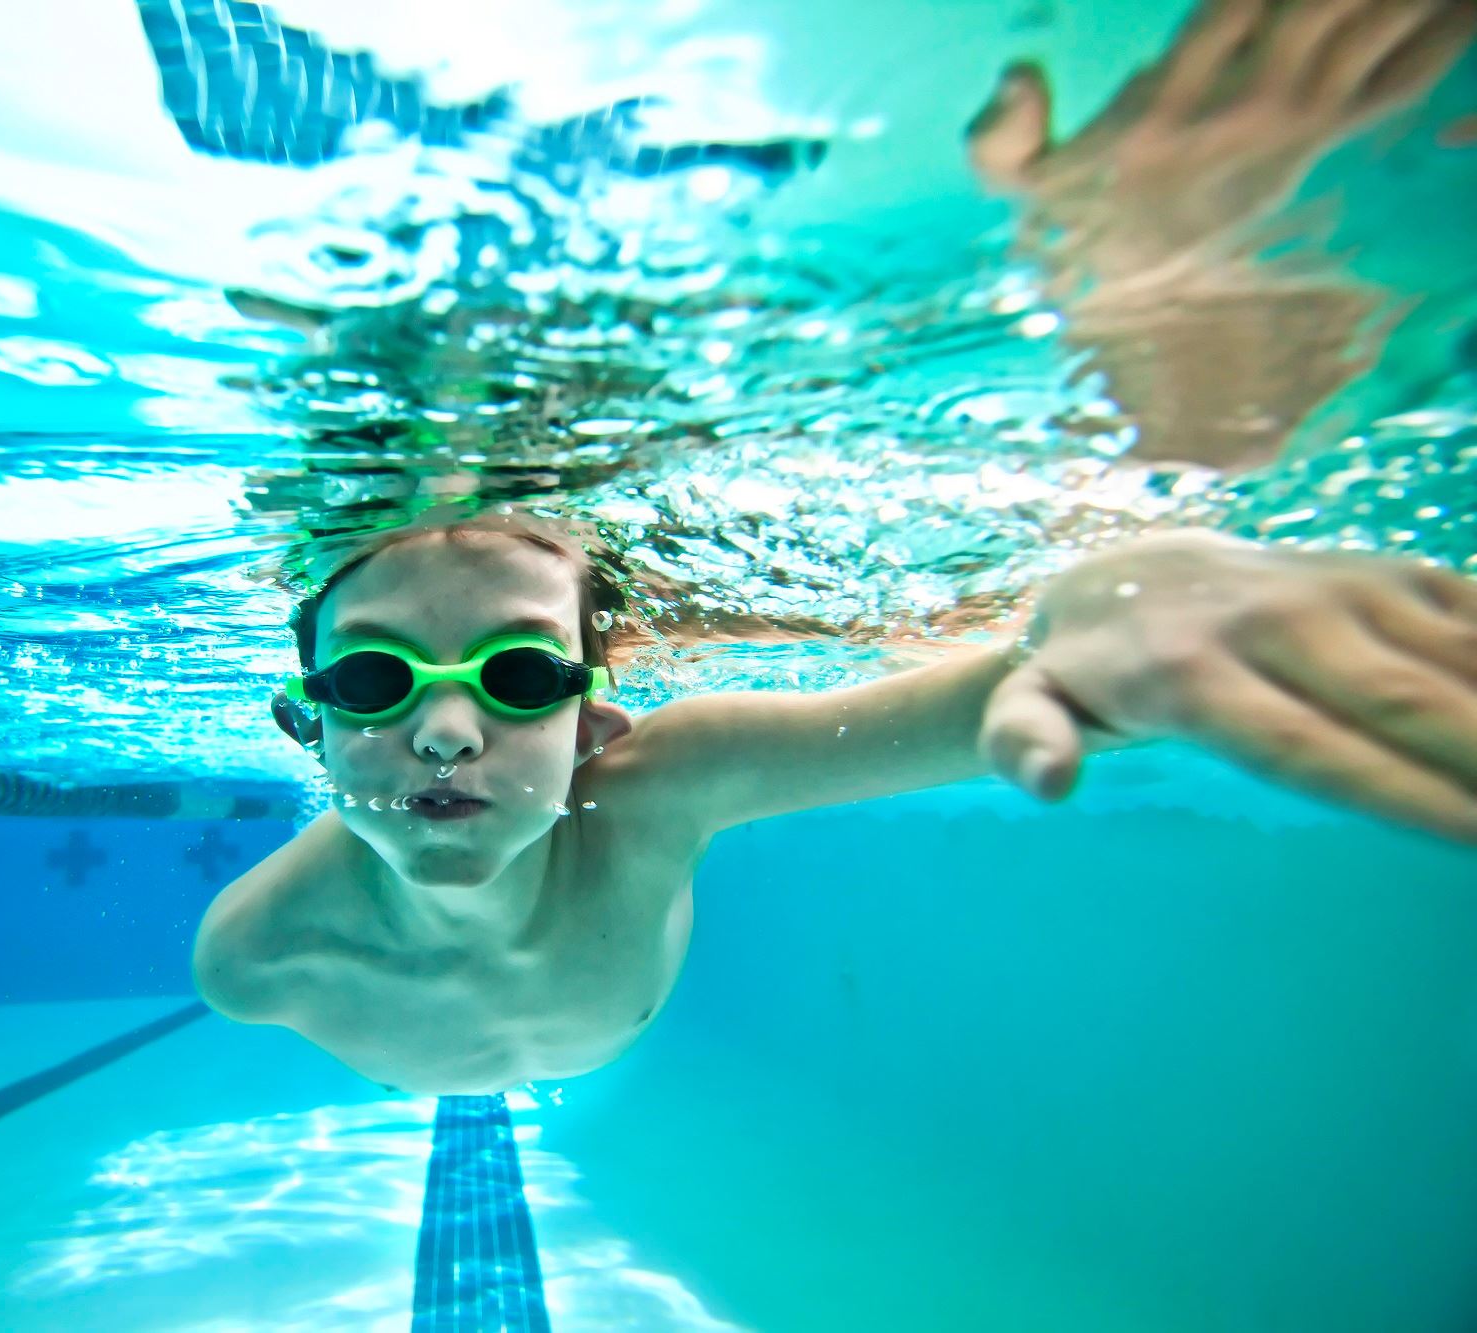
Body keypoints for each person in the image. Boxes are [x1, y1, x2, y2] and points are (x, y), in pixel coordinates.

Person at [192, 2, 1477, 1095]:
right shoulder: (248, 957)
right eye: (371, 678)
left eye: (523, 674)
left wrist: (1124, 610)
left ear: (593, 726)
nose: (444, 731)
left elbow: (979, 701)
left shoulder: (657, 794)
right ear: (305, 720)